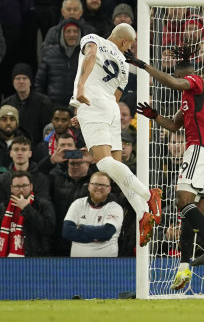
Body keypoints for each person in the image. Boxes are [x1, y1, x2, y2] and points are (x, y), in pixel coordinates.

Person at [125, 46, 204, 284]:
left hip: (200, 150)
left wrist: (143, 66)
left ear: (185, 75)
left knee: (182, 201)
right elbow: (174, 126)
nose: (180, 81)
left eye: (179, 77)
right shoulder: (190, 98)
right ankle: (184, 266)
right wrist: (154, 116)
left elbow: (173, 83)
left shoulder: (195, 81)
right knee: (190, 208)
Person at [70, 23, 160, 248]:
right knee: (116, 170)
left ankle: (149, 196)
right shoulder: (122, 64)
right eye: (130, 43)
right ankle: (142, 213)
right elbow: (116, 96)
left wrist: (81, 87)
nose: (129, 48)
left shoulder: (94, 39)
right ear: (123, 42)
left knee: (103, 162)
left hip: (93, 103)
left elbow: (90, 56)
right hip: (111, 109)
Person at [62, 172, 124, 257]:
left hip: (106, 266)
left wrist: (81, 227)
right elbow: (67, 232)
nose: (98, 188)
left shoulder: (115, 208)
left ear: (109, 189)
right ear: (89, 186)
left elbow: (107, 232)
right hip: (77, 265)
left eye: (103, 185)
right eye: (95, 184)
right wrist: (97, 236)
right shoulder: (77, 204)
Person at [0, 171, 55, 256]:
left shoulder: (43, 204)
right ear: (11, 188)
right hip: (7, 257)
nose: (21, 190)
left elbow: (49, 229)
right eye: (17, 186)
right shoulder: (3, 207)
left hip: (34, 257)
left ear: (31, 186)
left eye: (24, 186)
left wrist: (27, 208)